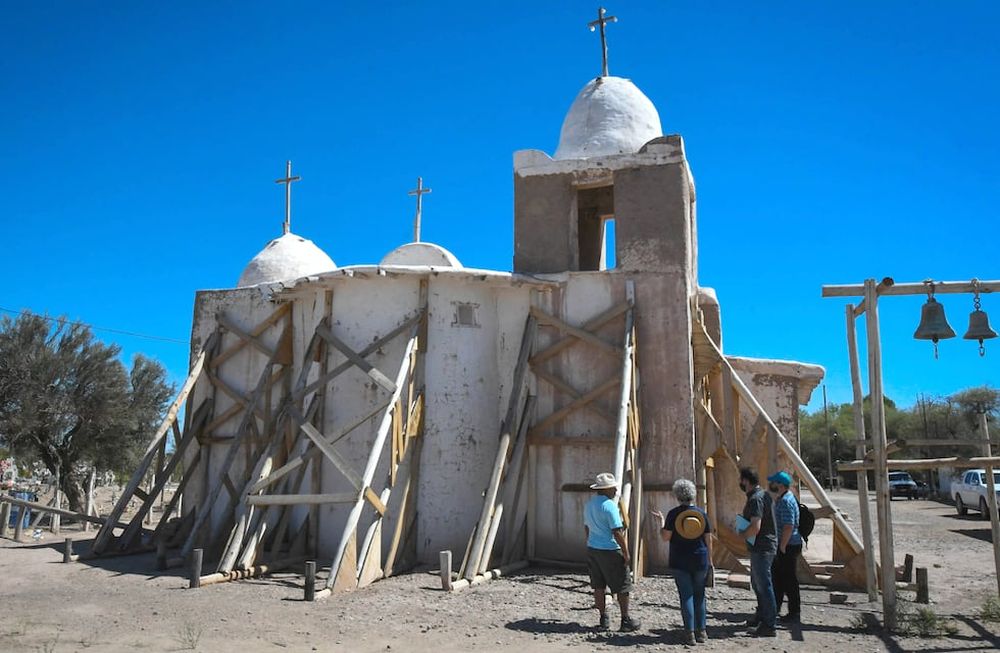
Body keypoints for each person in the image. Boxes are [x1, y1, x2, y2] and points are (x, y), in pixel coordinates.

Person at [651, 479, 714, 645]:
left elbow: (665, 537)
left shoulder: (673, 514)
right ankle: (702, 632)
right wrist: (710, 560)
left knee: (686, 595)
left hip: (680, 560)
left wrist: (661, 523)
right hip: (700, 558)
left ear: (677, 495)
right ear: (693, 494)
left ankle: (689, 634)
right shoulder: (702, 514)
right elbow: (709, 540)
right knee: (700, 595)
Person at [584, 472, 640, 632]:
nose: (616, 490)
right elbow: (617, 532)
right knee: (623, 585)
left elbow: (587, 527)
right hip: (610, 550)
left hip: (593, 548)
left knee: (598, 586)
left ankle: (603, 618)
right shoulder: (609, 506)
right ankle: (625, 619)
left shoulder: (589, 505)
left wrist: (589, 543)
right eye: (613, 488)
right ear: (606, 489)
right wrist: (626, 553)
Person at [737, 467, 777, 637]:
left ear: (746, 481)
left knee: (763, 585)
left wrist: (742, 534)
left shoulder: (755, 499)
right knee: (757, 583)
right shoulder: (763, 495)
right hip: (762, 546)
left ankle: (769, 625)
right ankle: (762, 617)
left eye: (741, 480)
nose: (740, 483)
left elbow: (755, 527)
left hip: (762, 547)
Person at [768, 471, 802, 624]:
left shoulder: (786, 501)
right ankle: (776, 608)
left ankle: (794, 612)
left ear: (780, 485)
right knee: (779, 578)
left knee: (789, 580)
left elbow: (789, 526)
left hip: (788, 545)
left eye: (774, 482)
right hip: (786, 544)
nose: (771, 485)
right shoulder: (783, 498)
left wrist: (782, 546)